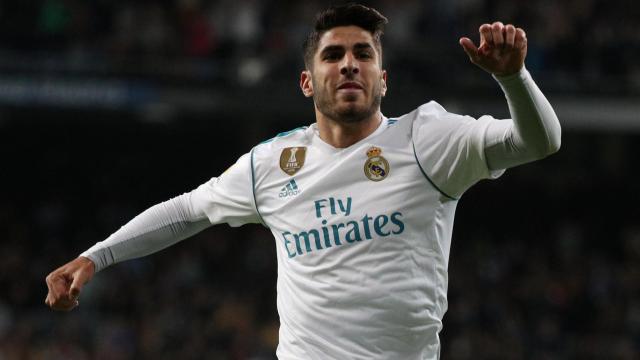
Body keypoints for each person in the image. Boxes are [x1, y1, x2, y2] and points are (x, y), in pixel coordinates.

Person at [45, 3, 560, 359]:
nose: (350, 65)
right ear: (308, 81)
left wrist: (513, 77)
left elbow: (539, 143)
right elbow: (188, 210)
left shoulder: (429, 139)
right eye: (333, 55)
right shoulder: (272, 164)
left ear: (383, 78)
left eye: (364, 54)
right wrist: (97, 256)